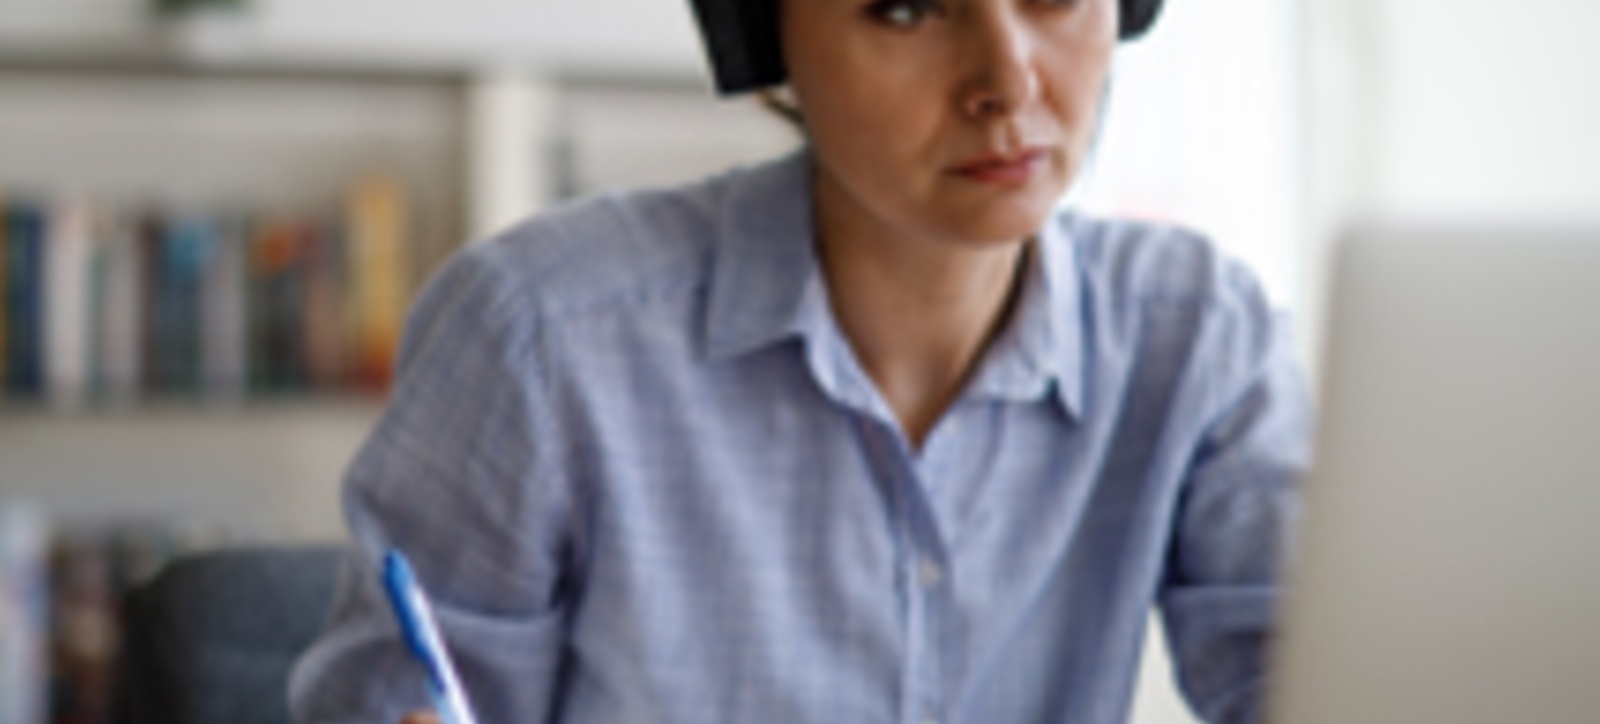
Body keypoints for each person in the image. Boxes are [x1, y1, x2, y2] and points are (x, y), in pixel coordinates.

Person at [289, 0, 1310, 722]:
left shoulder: (1200, 338)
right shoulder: (542, 336)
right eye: (907, 9)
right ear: (759, 36)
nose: (1009, 81)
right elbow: (400, 700)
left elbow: (1325, 685)